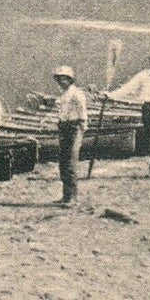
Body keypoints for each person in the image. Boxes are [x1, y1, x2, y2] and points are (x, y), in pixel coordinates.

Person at [52, 65, 89, 206]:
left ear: (70, 79)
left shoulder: (76, 93)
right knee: (63, 161)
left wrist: (82, 127)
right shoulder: (63, 93)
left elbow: (82, 110)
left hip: (74, 127)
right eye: (59, 79)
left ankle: (72, 197)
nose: (61, 81)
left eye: (64, 79)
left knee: (70, 162)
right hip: (64, 127)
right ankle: (66, 195)